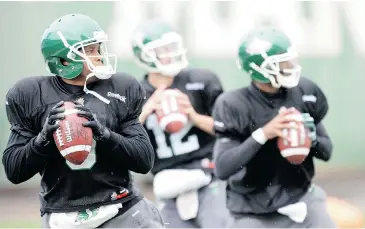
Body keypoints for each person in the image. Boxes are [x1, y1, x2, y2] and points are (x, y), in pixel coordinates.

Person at [2, 14, 164, 228]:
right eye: (89, 50)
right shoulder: (31, 95)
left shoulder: (120, 87)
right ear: (63, 60)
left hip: (120, 209)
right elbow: (14, 171)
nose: (98, 56)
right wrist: (43, 140)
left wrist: (104, 134)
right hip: (63, 215)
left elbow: (144, 160)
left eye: (98, 49)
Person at [212, 25, 337, 228]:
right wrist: (263, 134)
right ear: (258, 68)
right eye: (282, 62)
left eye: (290, 60)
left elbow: (327, 151)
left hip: (300, 199)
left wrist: (309, 137)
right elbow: (223, 168)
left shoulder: (305, 91)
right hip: (252, 209)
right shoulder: (234, 104)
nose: (290, 66)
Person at [131, 20, 230, 228]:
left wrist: (192, 115)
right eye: (162, 50)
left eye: (171, 48)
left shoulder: (202, 80)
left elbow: (227, 129)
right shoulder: (134, 94)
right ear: (145, 55)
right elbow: (123, 140)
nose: (170, 54)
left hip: (207, 172)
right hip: (167, 182)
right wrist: (147, 109)